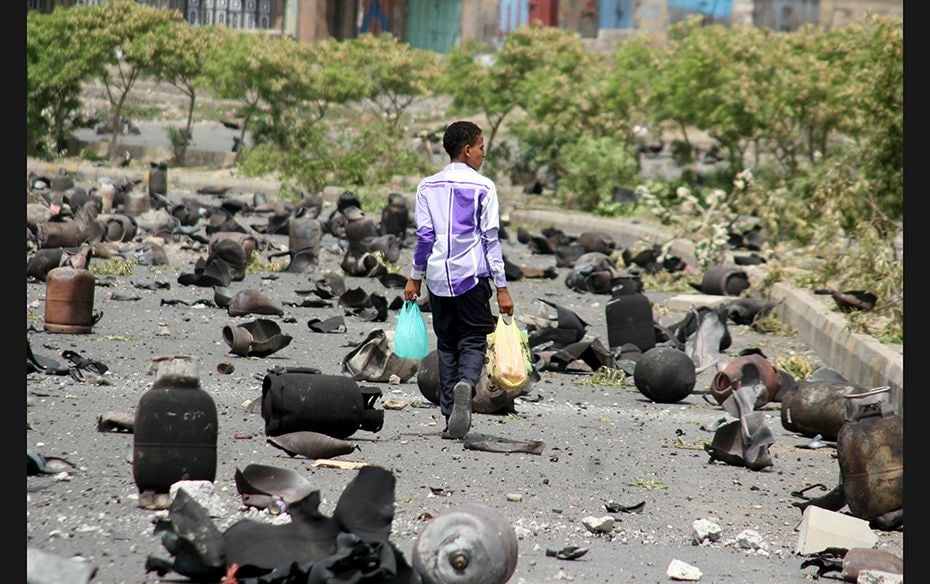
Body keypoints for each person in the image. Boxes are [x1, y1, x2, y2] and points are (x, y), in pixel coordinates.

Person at [404, 121, 514, 440]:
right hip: (472, 276)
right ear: (467, 150)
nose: (483, 154)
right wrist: (502, 288)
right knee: (474, 339)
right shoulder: (484, 187)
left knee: (447, 342)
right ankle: (467, 382)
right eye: (481, 148)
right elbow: (490, 240)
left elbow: (424, 237)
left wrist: (415, 279)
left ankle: (450, 411)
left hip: (438, 277)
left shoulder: (427, 186)